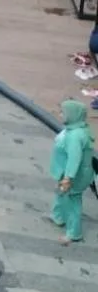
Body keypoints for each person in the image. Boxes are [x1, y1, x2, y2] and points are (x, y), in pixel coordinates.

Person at [50, 99, 96, 244]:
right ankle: (58, 216)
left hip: (73, 175)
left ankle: (73, 233)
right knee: (61, 194)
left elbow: (74, 159)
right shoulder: (75, 129)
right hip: (66, 172)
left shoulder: (75, 136)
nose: (61, 114)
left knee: (72, 201)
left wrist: (68, 178)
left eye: (64, 112)